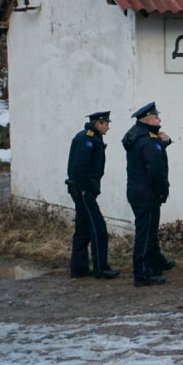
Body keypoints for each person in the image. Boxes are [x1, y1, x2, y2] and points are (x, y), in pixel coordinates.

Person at [122, 102, 175, 287]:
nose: (160, 119)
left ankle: (156, 263)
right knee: (145, 235)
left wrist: (165, 142)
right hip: (147, 194)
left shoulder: (138, 136)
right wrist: (162, 190)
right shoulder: (147, 141)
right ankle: (143, 274)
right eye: (157, 117)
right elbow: (155, 169)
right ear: (149, 119)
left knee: (149, 232)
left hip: (138, 191)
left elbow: (152, 153)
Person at [65, 111, 119, 280]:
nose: (108, 127)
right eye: (106, 124)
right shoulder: (86, 139)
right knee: (98, 228)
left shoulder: (92, 138)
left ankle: (79, 268)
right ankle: (100, 267)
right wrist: (83, 189)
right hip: (84, 191)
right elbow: (80, 166)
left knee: (82, 229)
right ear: (97, 124)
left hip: (85, 190)